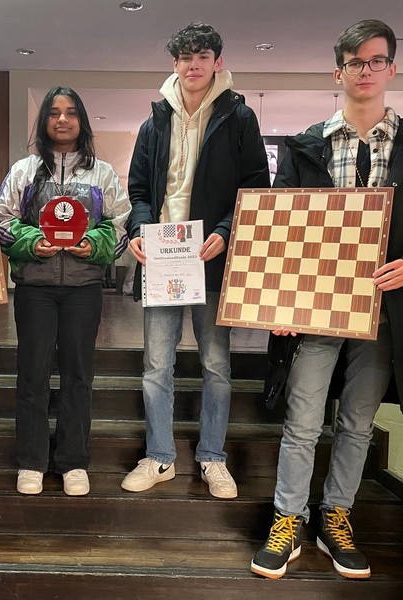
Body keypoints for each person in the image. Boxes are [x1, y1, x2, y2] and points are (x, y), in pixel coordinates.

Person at [250, 20, 403, 579]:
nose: (364, 71)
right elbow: (280, 232)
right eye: (354, 62)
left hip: (385, 310)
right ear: (337, 71)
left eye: (375, 61)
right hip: (316, 307)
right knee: (302, 421)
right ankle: (288, 518)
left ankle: (335, 516)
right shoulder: (307, 146)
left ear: (392, 68)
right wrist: (279, 302)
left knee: (358, 423)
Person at [122, 23, 270, 499]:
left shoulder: (239, 118)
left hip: (211, 258)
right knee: (155, 365)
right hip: (163, 257)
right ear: (175, 64)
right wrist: (138, 231)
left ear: (217, 62)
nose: (193, 65)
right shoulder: (154, 122)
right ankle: (159, 456)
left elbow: (255, 186)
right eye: (185, 57)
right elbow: (139, 190)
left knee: (216, 364)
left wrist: (225, 231)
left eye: (202, 56)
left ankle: (212, 456)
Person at [0, 87, 130, 496]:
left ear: (81, 121)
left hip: (83, 289)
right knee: (32, 374)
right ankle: (31, 461)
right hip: (34, 289)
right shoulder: (23, 171)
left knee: (79, 375)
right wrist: (32, 243)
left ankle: (73, 461)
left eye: (71, 112)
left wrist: (95, 246)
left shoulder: (103, 174)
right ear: (44, 122)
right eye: (54, 113)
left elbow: (119, 224)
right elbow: (2, 222)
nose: (62, 119)